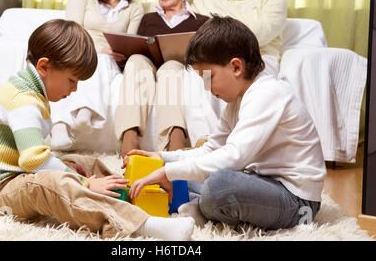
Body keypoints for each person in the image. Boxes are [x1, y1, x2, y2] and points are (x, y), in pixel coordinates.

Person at [0, 19, 194, 240]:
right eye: (71, 80)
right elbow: (34, 162)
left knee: (85, 163)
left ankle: (128, 194)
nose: (74, 89)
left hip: (16, 176)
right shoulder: (23, 100)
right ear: (44, 67)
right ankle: (140, 223)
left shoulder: (32, 92)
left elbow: (29, 157)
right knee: (53, 183)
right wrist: (84, 183)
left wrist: (77, 172)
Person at [125, 16, 327, 230]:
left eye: (209, 78)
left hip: (298, 203)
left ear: (236, 67)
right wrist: (163, 158)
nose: (206, 88)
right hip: (263, 183)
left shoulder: (267, 93)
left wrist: (167, 173)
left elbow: (233, 157)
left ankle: (200, 208)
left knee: (219, 186)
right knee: (193, 172)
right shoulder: (236, 102)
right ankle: (197, 203)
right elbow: (211, 149)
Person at [50, 0, 144, 149]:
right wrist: (93, 49)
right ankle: (60, 126)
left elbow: (130, 42)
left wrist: (118, 52)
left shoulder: (134, 8)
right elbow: (71, 30)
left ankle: (83, 113)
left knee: (102, 60)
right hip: (79, 51)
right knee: (90, 59)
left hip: (111, 60)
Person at [115, 0, 209, 157]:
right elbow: (137, 45)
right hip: (149, 65)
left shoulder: (201, 21)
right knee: (135, 61)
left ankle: (175, 141)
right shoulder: (148, 19)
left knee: (170, 68)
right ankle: (129, 139)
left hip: (179, 67)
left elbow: (207, 53)